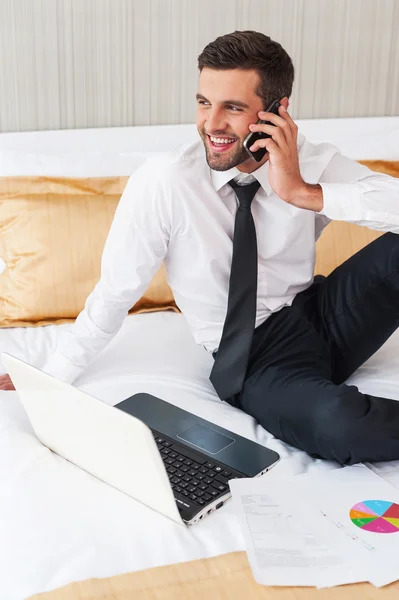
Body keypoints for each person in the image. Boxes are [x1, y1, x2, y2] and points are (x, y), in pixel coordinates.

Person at [2, 30, 399, 466]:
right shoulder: (166, 182)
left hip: (325, 313)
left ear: (275, 112)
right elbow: (116, 291)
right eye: (203, 102)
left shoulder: (308, 160)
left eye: (232, 107)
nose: (211, 125)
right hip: (255, 354)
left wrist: (304, 192)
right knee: (339, 424)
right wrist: (50, 377)